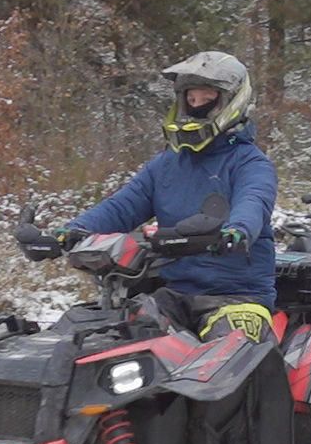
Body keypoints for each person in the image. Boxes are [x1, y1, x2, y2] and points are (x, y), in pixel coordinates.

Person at [55, 51, 277, 342]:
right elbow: (122, 206)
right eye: (191, 99)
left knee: (230, 353)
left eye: (206, 98)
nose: (196, 105)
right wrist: (74, 230)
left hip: (237, 296)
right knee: (110, 339)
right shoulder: (166, 164)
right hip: (173, 295)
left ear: (231, 102)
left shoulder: (250, 163)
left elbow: (254, 201)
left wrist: (238, 230)